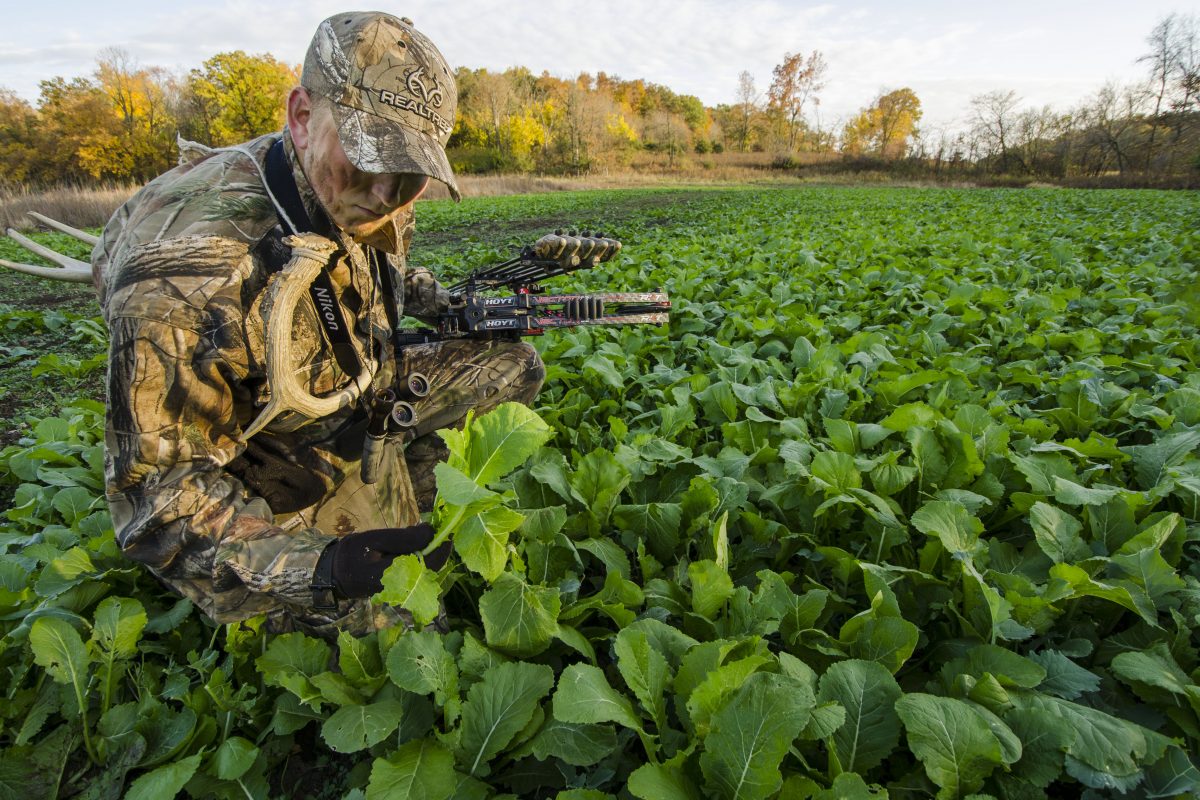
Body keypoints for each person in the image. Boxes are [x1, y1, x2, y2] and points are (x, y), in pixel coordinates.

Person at [93, 11, 544, 638]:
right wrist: (322, 566)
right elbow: (158, 498)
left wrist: (448, 304)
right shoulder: (186, 275)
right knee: (401, 644)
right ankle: (313, 537)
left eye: (412, 172)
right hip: (264, 449)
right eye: (368, 157)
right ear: (301, 116)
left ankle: (401, 486)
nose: (387, 193)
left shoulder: (368, 193)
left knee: (509, 365)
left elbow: (371, 269)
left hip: (351, 383)